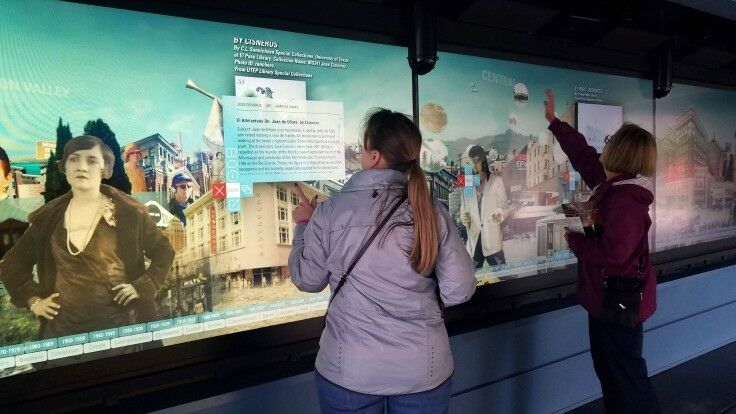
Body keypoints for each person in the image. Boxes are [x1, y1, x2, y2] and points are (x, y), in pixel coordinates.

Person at [288, 109, 476, 414]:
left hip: (349, 371)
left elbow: (308, 279)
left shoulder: (331, 212)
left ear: (374, 157)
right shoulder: (431, 210)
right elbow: (459, 290)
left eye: (363, 148)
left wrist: (303, 227)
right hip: (423, 370)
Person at [544, 90, 660, 413]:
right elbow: (583, 155)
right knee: (613, 375)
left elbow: (614, 253)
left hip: (618, 307)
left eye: (611, 141)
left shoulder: (625, 200)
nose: (605, 144)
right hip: (608, 303)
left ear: (620, 154)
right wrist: (556, 123)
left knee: (626, 380)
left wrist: (576, 240)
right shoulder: (612, 183)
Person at [0, 135, 175, 340]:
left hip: (124, 336)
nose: (82, 167)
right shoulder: (46, 219)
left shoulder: (130, 213)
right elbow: (11, 266)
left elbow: (164, 251)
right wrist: (34, 301)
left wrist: (144, 285)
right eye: (74, 159)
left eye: (91, 161)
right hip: (63, 339)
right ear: (65, 167)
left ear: (104, 168)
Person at [459, 145, 509, 268]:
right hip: (475, 241)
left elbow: (504, 206)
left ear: (483, 160)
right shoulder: (468, 184)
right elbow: (464, 210)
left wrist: (499, 214)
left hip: (492, 240)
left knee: (503, 275)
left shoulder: (495, 181)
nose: (475, 165)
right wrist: (464, 218)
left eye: (477, 160)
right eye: (472, 161)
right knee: (474, 280)